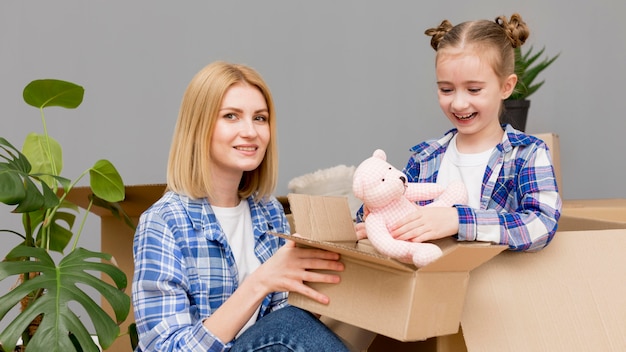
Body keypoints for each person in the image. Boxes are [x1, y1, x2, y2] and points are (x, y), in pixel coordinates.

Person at [132, 61, 349, 352]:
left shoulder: (268, 213)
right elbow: (165, 349)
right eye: (231, 116)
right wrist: (259, 282)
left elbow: (287, 333)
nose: (250, 131)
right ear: (199, 126)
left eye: (260, 118)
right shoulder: (164, 222)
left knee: (295, 320)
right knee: (290, 324)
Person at [357, 13, 561, 252]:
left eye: (473, 89)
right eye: (446, 89)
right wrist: (373, 214)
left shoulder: (527, 154)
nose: (459, 103)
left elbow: (541, 224)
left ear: (506, 86)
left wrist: (458, 220)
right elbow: (389, 207)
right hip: (434, 282)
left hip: (499, 285)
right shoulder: (425, 158)